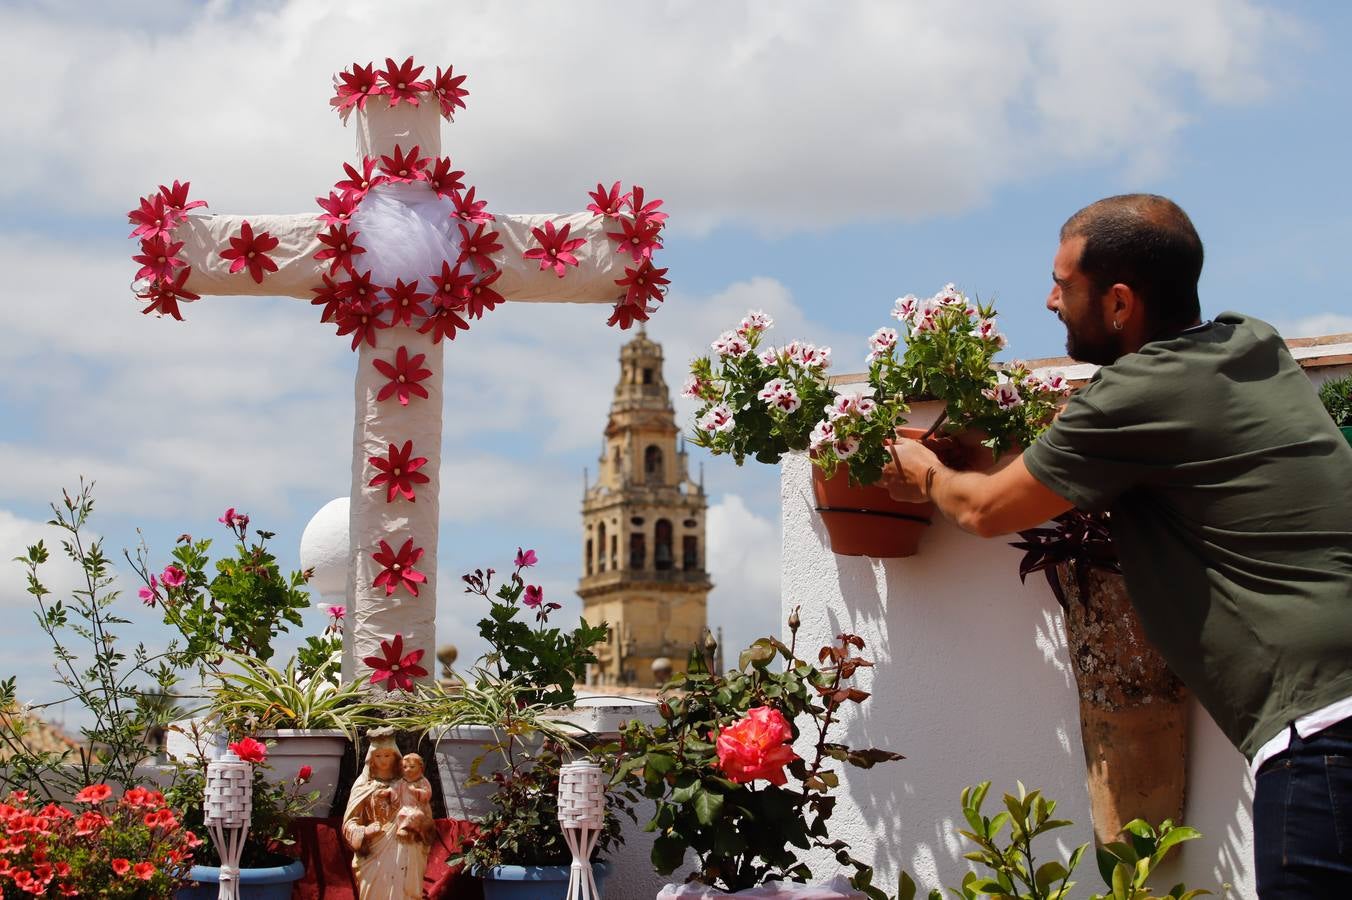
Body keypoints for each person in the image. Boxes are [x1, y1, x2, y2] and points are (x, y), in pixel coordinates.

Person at [882, 194, 1352, 898]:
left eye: (1064, 284)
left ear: (1121, 303)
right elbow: (1132, 450)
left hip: (1324, 735)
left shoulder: (1137, 392)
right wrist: (1007, 451)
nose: (1048, 300)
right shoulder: (1253, 344)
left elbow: (983, 511)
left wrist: (924, 471)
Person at [341, 729, 432, 899]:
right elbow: (349, 823)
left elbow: (425, 815)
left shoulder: (409, 783)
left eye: (387, 756)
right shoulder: (363, 785)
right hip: (375, 852)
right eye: (378, 756)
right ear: (371, 759)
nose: (383, 761)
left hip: (405, 848)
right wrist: (364, 832)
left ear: (396, 757)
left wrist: (416, 826)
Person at [393, 752, 435, 844]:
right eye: (405, 767)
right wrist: (387, 792)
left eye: (412, 767)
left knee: (417, 815)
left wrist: (416, 791)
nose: (408, 770)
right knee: (400, 814)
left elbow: (427, 794)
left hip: (420, 809)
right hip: (405, 808)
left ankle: (408, 829)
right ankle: (404, 829)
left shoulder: (422, 781)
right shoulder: (402, 782)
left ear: (420, 767)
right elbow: (394, 790)